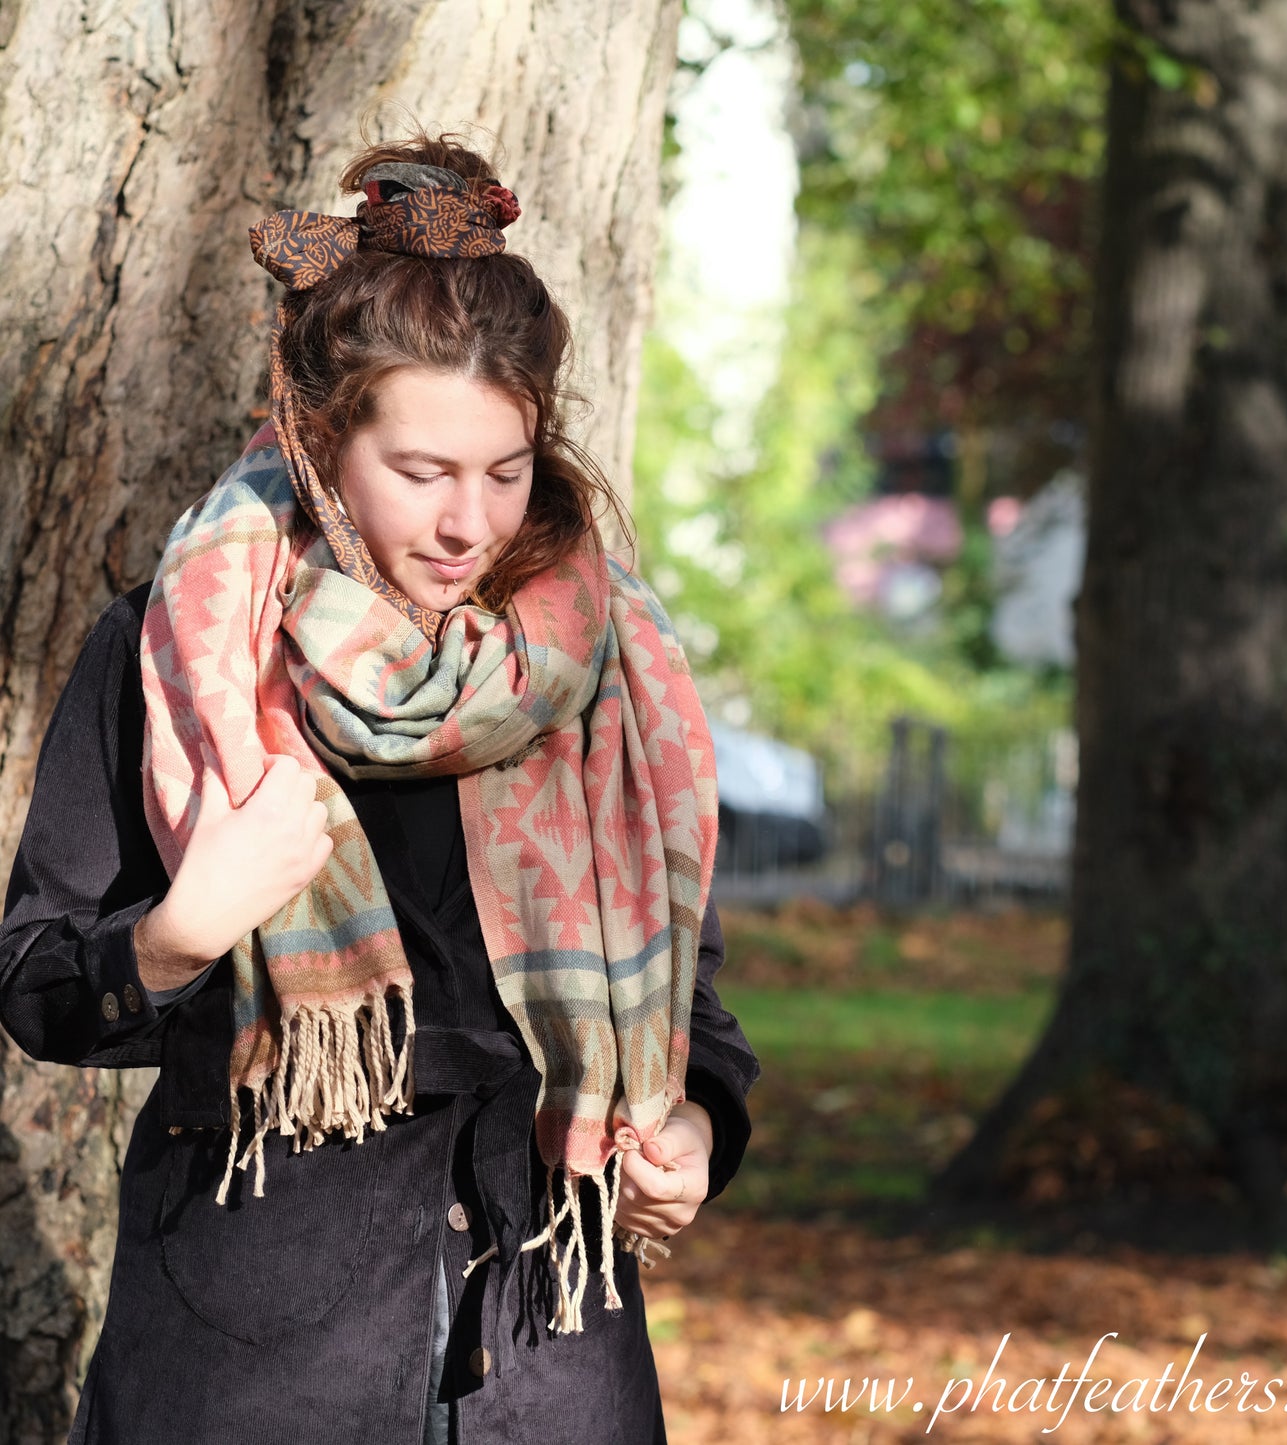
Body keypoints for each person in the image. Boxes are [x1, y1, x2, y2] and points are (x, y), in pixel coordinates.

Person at [0, 129, 759, 1445]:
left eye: (505, 472)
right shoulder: (179, 646)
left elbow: (690, 1002)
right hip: (256, 1351)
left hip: (550, 1345)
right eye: (420, 472)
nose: (468, 521)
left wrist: (695, 1121)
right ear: (316, 443)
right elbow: (41, 987)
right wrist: (185, 926)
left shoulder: (602, 668)